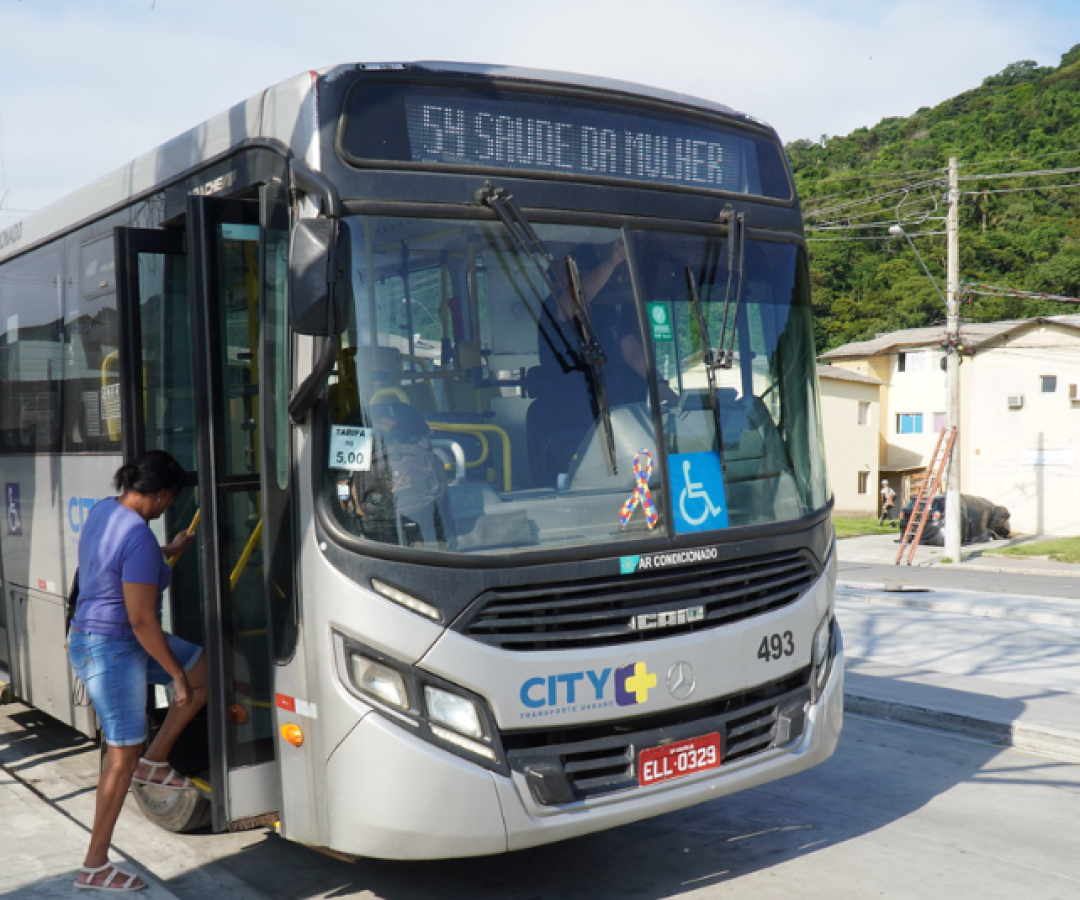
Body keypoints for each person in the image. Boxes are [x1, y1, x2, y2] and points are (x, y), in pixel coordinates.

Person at [67, 450, 201, 892]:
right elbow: (143, 621)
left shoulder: (107, 511)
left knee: (206, 670)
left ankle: (156, 761)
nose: (168, 507)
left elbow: (115, 565)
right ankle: (94, 866)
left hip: (104, 640)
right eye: (170, 498)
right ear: (161, 495)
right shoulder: (139, 538)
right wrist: (175, 677)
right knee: (120, 759)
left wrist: (170, 551)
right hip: (114, 650)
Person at [529, 240, 677, 486]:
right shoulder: (553, 307)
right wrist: (612, 261)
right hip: (567, 427)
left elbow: (633, 352)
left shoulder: (608, 314)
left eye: (579, 270)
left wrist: (663, 386)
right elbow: (578, 298)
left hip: (614, 421)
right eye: (565, 273)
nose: (577, 277)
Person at [347, 402, 452, 548]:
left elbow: (342, 475)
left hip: (373, 528)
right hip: (425, 517)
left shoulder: (356, 418)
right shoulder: (410, 413)